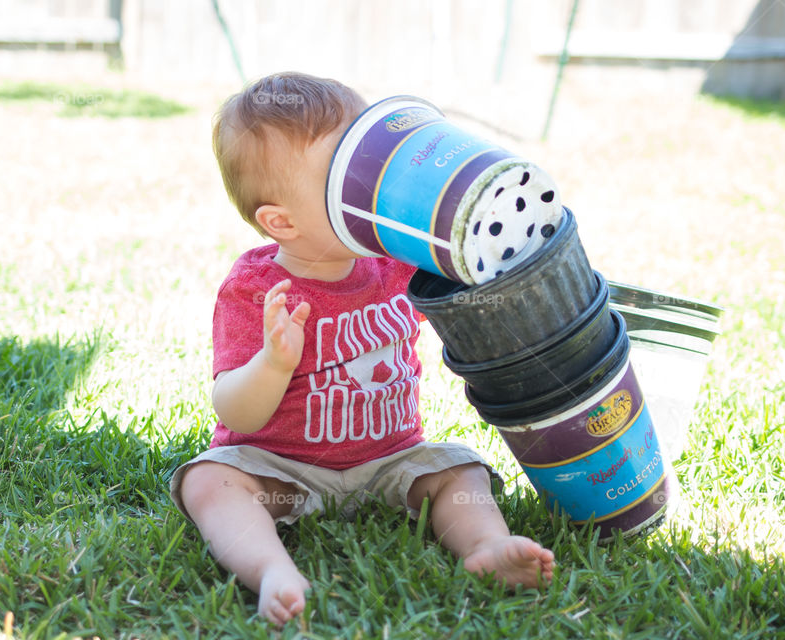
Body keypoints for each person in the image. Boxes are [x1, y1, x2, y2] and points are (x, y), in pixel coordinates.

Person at [170, 72, 555, 626]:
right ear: (282, 221)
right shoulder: (258, 290)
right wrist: (274, 363)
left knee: (461, 472)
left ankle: (486, 546)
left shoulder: (396, 258)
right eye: (341, 178)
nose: (367, 183)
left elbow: (474, 263)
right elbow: (234, 410)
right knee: (211, 481)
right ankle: (271, 569)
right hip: (283, 474)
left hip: (394, 462)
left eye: (367, 159)